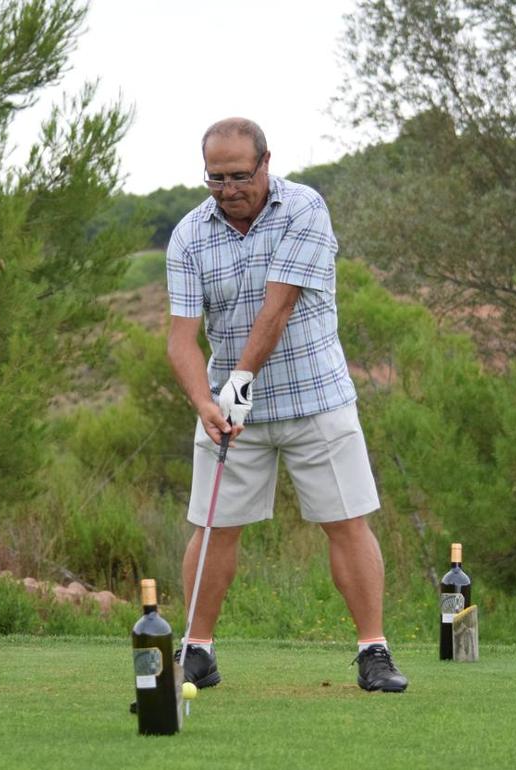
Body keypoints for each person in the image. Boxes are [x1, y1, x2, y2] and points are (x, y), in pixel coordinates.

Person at [164, 117, 407, 693]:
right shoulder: (189, 235)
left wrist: (240, 379)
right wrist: (203, 402)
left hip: (315, 397)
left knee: (346, 523)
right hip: (230, 415)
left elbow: (278, 307)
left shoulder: (303, 208)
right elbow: (181, 338)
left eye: (239, 175)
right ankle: (197, 651)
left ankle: (373, 651)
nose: (228, 189)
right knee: (213, 528)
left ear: (266, 163)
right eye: (216, 177)